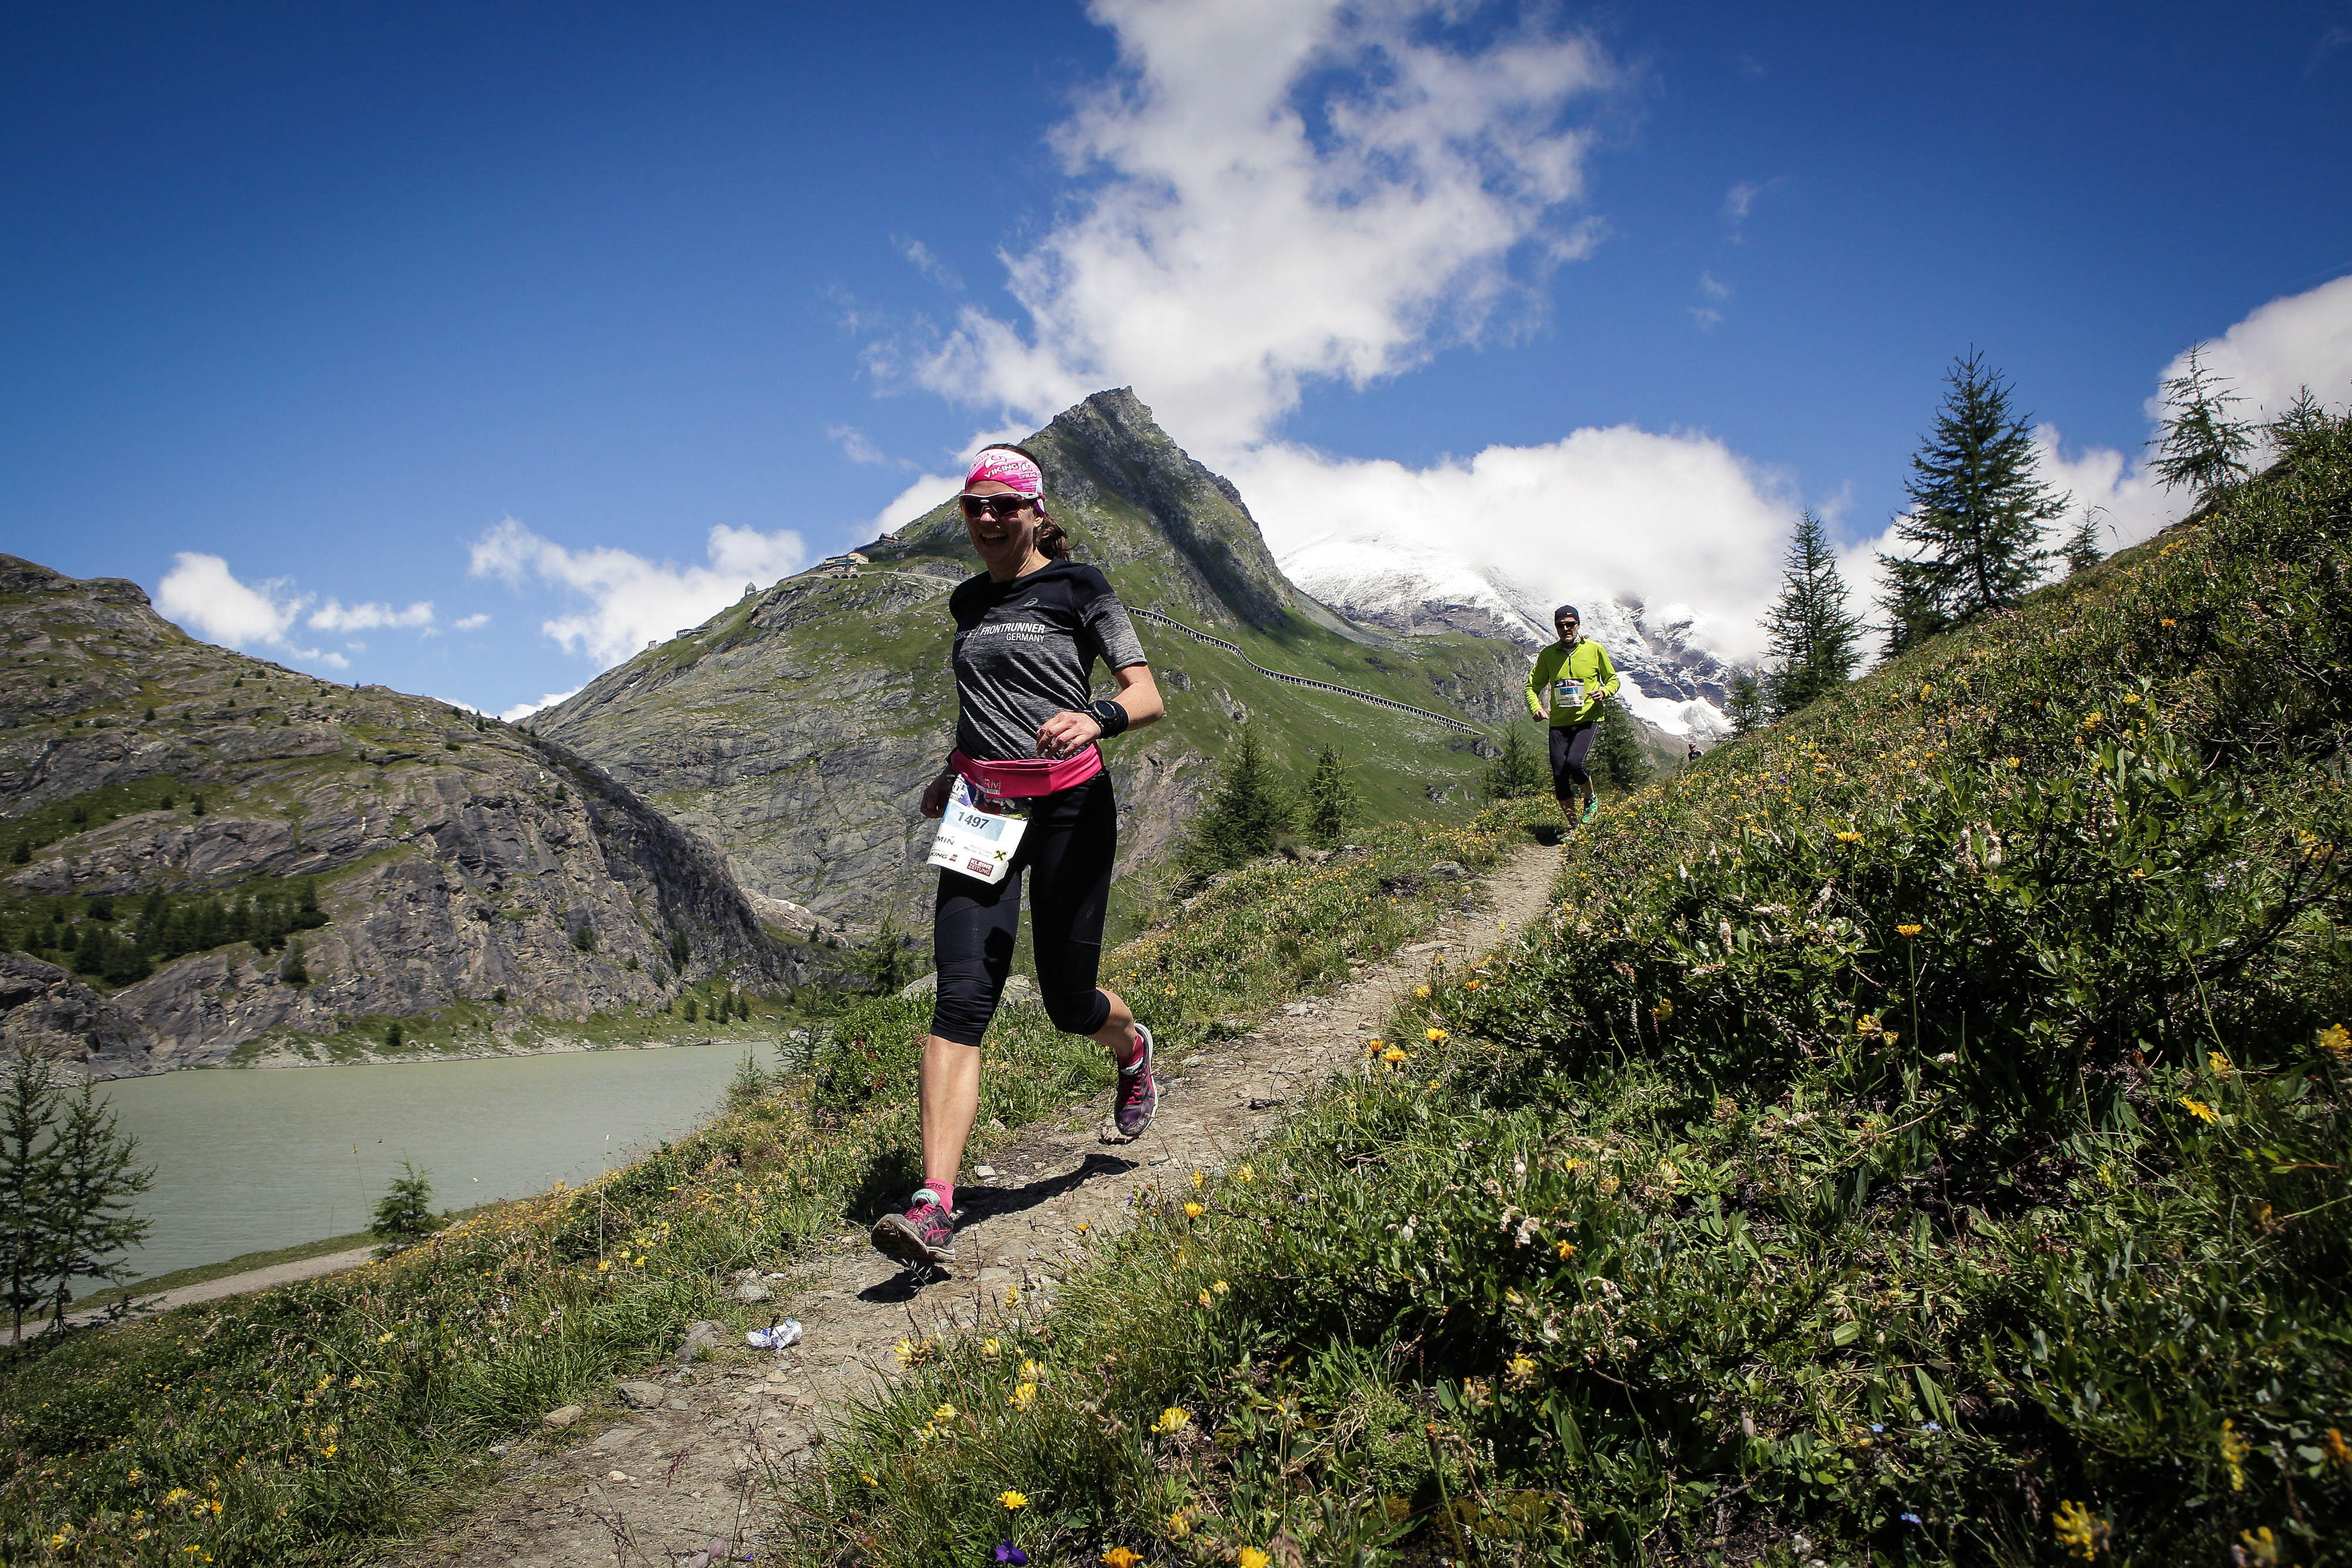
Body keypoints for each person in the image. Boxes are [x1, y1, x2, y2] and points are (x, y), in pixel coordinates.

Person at [870, 443, 1167, 1271]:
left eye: (1005, 504)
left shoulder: (1081, 587)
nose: (990, 518)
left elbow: (1147, 693)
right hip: (982, 808)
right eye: (975, 505)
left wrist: (1097, 716)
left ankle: (1131, 1046)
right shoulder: (968, 602)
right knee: (961, 998)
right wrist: (950, 767)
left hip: (1073, 799)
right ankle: (934, 1203)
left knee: (1069, 999)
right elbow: (985, 703)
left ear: (1037, 510)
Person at [1524, 604, 1619, 827]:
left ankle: (1590, 798)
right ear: (1556, 627)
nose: (1566, 629)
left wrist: (1604, 692)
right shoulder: (1548, 655)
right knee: (1559, 775)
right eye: (1561, 625)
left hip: (1588, 717)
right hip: (1559, 722)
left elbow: (1613, 679)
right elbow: (1531, 687)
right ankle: (1575, 826)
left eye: (1570, 624)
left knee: (1575, 764)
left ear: (1578, 625)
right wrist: (1535, 708)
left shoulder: (1594, 649)